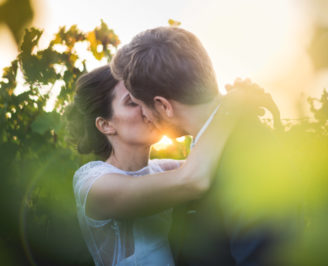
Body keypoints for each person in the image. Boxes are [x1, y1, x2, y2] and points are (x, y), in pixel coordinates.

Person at [111, 26, 282, 265]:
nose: (143, 116)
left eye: (141, 104)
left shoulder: (250, 152)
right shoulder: (207, 149)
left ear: (163, 106)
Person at [66, 65, 251, 266]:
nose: (146, 108)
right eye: (131, 102)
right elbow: (193, 180)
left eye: (143, 98)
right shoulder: (93, 184)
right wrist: (230, 106)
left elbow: (213, 161)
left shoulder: (161, 169)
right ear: (106, 125)